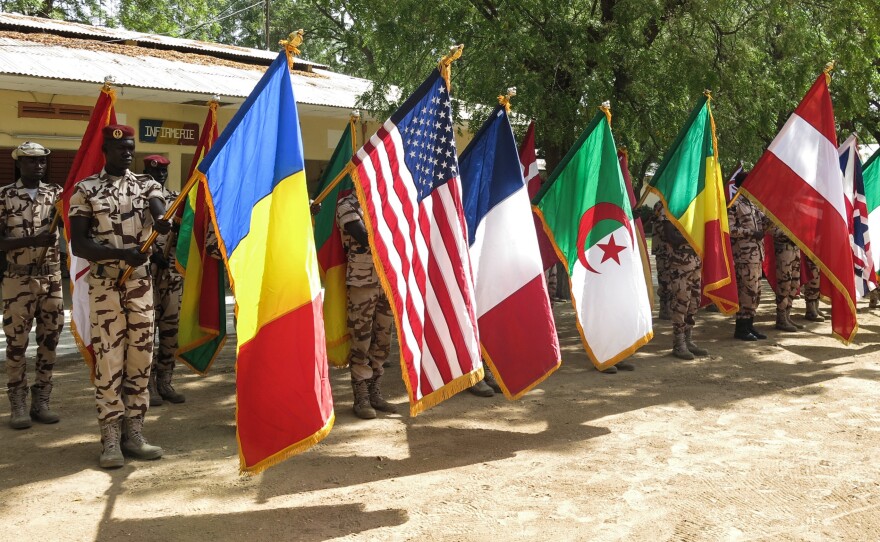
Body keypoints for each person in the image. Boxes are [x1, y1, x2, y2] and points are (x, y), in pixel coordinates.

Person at [69, 124, 171, 468]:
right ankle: (110, 437)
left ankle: (135, 433)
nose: (127, 153)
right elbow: (79, 243)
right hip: (106, 285)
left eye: (130, 148)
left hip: (140, 285)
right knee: (110, 360)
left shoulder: (146, 184)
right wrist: (121, 255)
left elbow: (158, 208)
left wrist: (161, 221)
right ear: (106, 152)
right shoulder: (86, 190)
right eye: (120, 149)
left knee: (140, 356)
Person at [1, 142, 64, 429]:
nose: (38, 166)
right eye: (31, 161)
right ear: (19, 164)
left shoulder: (58, 195)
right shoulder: (4, 196)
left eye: (41, 162)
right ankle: (18, 402)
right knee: (17, 343)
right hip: (18, 279)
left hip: (51, 278)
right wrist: (30, 241)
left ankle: (42, 400)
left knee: (50, 341)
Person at [335, 190, 397, 419]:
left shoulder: (387, 200)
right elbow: (362, 235)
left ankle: (374, 392)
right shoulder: (347, 203)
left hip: (386, 280)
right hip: (362, 281)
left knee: (382, 338)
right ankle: (360, 397)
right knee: (361, 339)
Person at [143, 155, 185, 406]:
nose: (158, 177)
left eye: (162, 173)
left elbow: (189, 230)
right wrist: (151, 254)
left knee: (170, 332)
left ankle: (165, 381)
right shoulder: (137, 200)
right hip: (144, 278)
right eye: (153, 172)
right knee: (145, 334)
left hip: (171, 276)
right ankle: (146, 384)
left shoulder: (178, 200)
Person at [658, 206, 707, 359]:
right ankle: (678, 344)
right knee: (681, 303)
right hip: (679, 264)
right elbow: (670, 236)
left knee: (694, 302)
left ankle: (688, 339)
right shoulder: (669, 208)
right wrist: (692, 236)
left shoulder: (694, 205)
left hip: (695, 261)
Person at [727, 172, 768, 341]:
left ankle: (750, 325)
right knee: (746, 292)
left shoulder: (753, 205)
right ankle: (741, 328)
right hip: (744, 256)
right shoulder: (734, 204)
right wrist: (751, 233)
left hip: (756, 255)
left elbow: (765, 223)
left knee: (756, 292)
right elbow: (729, 229)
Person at [771, 227, 802, 332]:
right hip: (783, 249)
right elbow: (770, 229)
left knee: (795, 283)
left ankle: (787, 316)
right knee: (784, 284)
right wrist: (789, 235)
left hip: (795, 248)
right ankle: (781, 318)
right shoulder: (778, 212)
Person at [652, 201, 672, 320]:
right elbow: (661, 228)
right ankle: (665, 309)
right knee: (665, 281)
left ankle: (672, 308)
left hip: (673, 249)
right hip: (664, 250)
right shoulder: (661, 205)